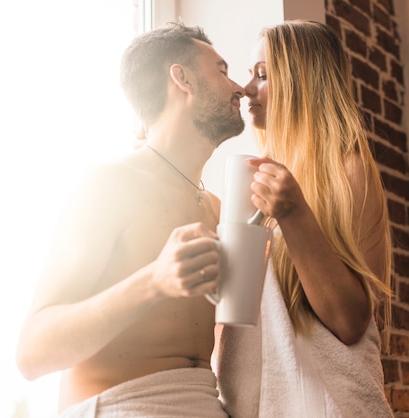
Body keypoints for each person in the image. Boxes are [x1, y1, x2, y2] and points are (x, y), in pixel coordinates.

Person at [16, 22, 245, 417]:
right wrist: (154, 280)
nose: (238, 87)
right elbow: (33, 353)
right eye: (222, 71)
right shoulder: (109, 184)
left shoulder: (219, 210)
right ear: (182, 78)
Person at [213, 20, 394, 417]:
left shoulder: (349, 172)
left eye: (262, 75)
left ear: (302, 82)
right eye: (248, 76)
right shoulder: (254, 183)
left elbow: (350, 322)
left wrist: (294, 214)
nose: (246, 89)